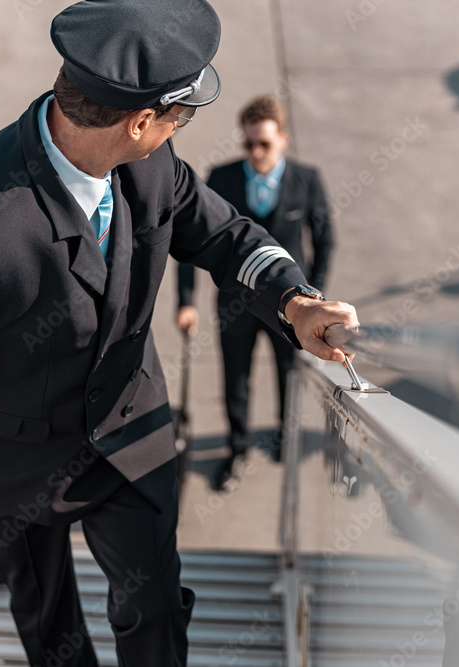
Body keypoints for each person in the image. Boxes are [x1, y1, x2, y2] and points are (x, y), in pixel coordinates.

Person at [0, 1, 358, 665]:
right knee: (49, 625)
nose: (180, 128)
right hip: (13, 461)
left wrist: (295, 301)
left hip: (130, 430)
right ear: (140, 121)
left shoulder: (147, 161)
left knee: (153, 608)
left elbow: (220, 231)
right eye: (180, 116)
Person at [176, 95, 333, 488]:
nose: (256, 152)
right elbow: (191, 241)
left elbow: (325, 240)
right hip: (235, 304)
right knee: (236, 378)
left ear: (282, 138)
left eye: (264, 144)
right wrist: (186, 302)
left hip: (290, 309)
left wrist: (313, 298)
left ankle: (285, 437)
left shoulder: (307, 179)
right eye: (249, 144)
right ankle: (237, 450)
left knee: (287, 374)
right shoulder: (222, 178)